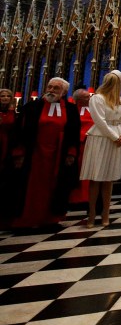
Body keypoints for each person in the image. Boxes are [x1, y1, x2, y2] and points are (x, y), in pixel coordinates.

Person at [7, 78, 80, 229]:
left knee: (55, 185)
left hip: (58, 154)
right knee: (30, 186)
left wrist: (71, 153)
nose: (51, 90)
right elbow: (20, 131)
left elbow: (73, 132)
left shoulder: (71, 109)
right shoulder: (32, 107)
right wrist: (19, 153)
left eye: (56, 88)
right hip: (34, 153)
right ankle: (26, 220)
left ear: (64, 92)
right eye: (50, 87)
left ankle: (51, 219)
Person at [82, 71, 121, 228]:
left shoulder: (120, 100)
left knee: (109, 179)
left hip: (116, 141)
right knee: (96, 178)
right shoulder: (97, 98)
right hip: (101, 139)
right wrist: (115, 137)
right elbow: (99, 121)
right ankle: (92, 214)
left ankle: (106, 213)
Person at [69, 88, 94, 206]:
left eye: (89, 96)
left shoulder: (94, 108)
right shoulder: (72, 109)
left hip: (92, 141)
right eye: (86, 97)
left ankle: (87, 196)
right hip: (77, 142)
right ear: (78, 99)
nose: (89, 98)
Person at [0, 89, 15, 167]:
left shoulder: (13, 112)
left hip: (8, 141)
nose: (6, 98)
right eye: (2, 96)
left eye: (8, 96)